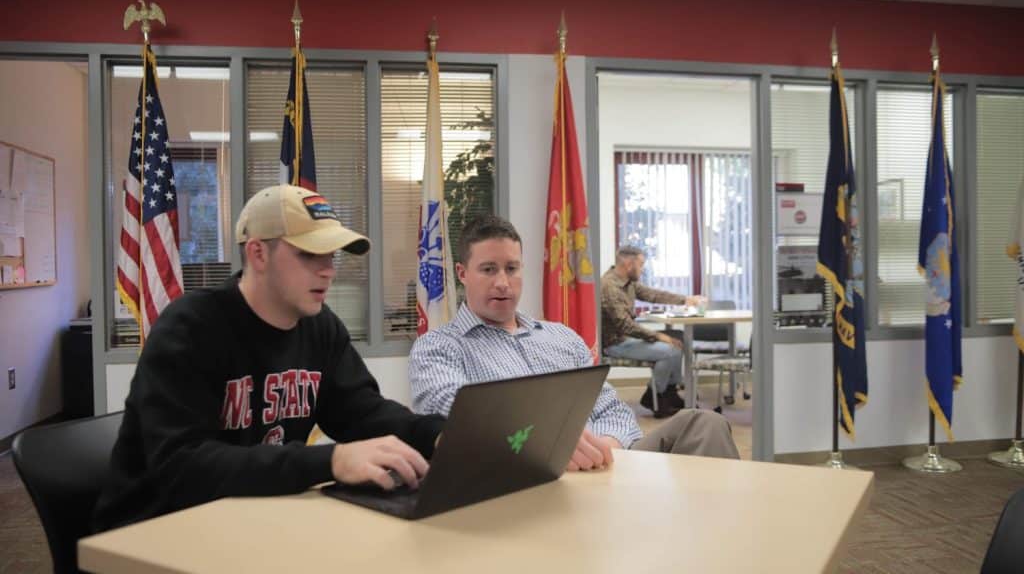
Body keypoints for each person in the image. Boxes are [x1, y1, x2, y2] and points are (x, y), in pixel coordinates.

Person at [92, 185, 444, 532]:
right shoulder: (189, 327)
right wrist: (332, 460)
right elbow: (183, 467)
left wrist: (439, 435)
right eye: (309, 254)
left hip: (250, 520)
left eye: (331, 256)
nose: (328, 270)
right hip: (156, 529)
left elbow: (363, 412)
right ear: (258, 253)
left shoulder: (320, 327)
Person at [409, 215, 738, 472]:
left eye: (511, 268)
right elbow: (457, 413)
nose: (502, 283)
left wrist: (605, 447)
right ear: (462, 273)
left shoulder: (562, 338)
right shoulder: (440, 347)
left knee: (703, 423)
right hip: (528, 478)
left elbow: (613, 410)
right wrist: (551, 443)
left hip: (611, 464)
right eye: (488, 269)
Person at [601, 245, 703, 418]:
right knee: (669, 350)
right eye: (640, 265)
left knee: (677, 339)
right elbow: (625, 325)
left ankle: (670, 393)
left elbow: (653, 295)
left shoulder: (628, 282)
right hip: (616, 343)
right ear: (628, 264)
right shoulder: (610, 286)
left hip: (626, 339)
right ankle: (654, 396)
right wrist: (658, 336)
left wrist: (685, 300)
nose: (642, 269)